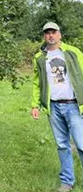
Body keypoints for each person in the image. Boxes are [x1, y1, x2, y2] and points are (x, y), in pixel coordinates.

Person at [31, 22, 83, 192]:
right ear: (44, 36)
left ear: (60, 34)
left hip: (74, 106)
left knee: (81, 144)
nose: (50, 35)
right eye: (47, 33)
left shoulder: (73, 52)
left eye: (53, 32)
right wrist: (35, 105)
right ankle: (67, 181)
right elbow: (37, 83)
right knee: (62, 145)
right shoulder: (40, 57)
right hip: (54, 108)